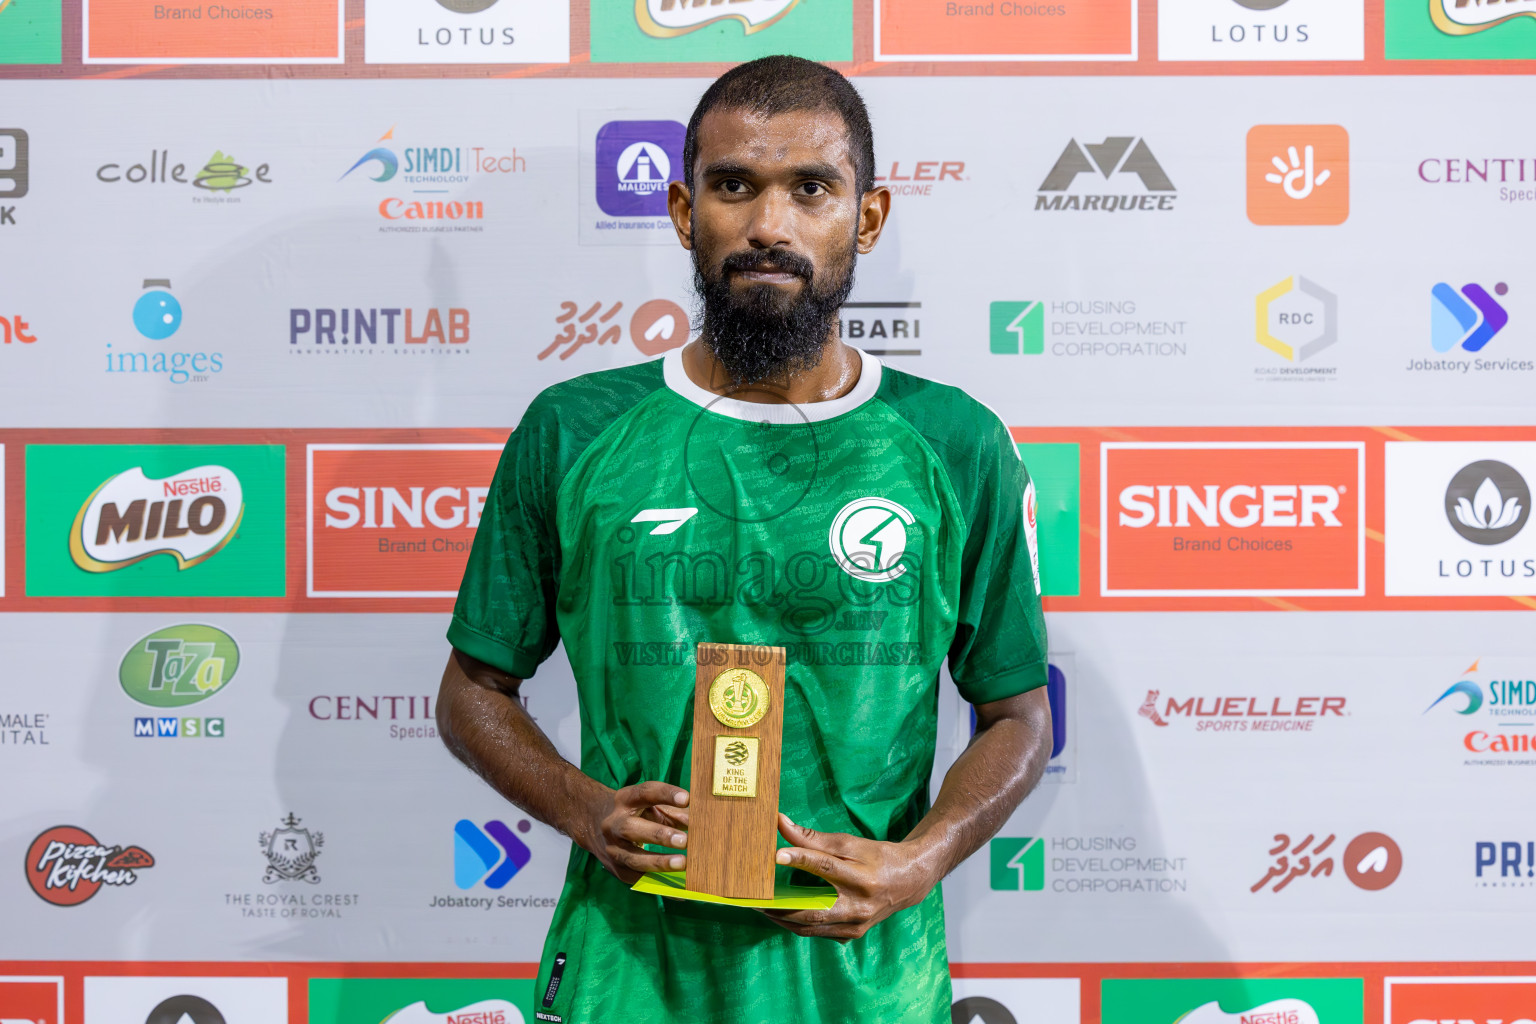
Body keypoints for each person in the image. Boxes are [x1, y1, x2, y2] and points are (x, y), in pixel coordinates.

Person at [436, 54, 1052, 1024]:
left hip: (868, 988)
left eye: (811, 188)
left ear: (870, 216)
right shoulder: (572, 428)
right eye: (735, 186)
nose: (770, 225)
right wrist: (582, 806)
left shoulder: (957, 443)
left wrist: (919, 860)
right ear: (685, 211)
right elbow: (473, 693)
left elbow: (1018, 715)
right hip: (626, 976)